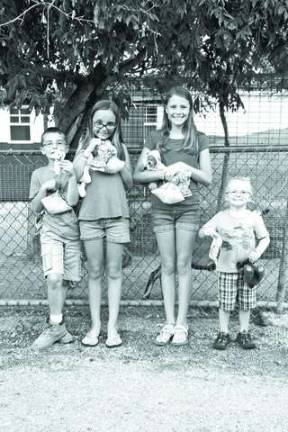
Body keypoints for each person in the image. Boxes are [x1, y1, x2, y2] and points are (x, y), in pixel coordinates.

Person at [134, 86, 212, 346]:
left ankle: (182, 323)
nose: (178, 111)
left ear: (190, 110)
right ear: (165, 109)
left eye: (183, 107)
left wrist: (186, 168)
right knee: (167, 265)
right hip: (162, 208)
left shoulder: (198, 138)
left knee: (183, 264)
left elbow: (208, 178)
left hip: (188, 208)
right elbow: (138, 175)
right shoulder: (155, 137)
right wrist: (163, 173)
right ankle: (168, 322)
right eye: (173, 107)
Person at [73, 99, 133, 348]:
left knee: (115, 271)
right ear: (91, 123)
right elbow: (76, 173)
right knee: (95, 272)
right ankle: (96, 324)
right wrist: (89, 153)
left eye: (109, 123)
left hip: (117, 216)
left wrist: (114, 165)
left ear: (116, 125)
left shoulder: (121, 148)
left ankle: (112, 327)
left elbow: (129, 182)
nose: (104, 127)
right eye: (99, 122)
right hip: (90, 217)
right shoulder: (84, 146)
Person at [199, 177, 270, 350]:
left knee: (246, 302)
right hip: (226, 267)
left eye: (243, 191)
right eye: (234, 191)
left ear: (250, 197)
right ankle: (223, 332)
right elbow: (202, 232)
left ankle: (243, 332)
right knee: (225, 302)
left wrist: (257, 252)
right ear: (226, 196)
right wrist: (208, 232)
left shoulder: (253, 217)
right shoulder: (220, 217)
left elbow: (265, 238)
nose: (238, 194)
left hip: (248, 270)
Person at [29, 127, 81, 350]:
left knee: (65, 281)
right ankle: (55, 325)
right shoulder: (39, 173)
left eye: (59, 143)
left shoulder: (72, 170)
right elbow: (34, 206)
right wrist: (45, 188)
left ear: (66, 148)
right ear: (42, 150)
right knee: (54, 277)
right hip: (50, 231)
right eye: (49, 144)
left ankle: (59, 327)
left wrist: (72, 177)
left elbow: (72, 201)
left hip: (71, 232)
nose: (54, 147)